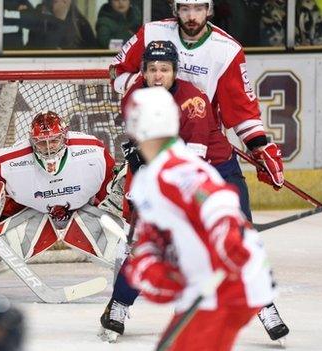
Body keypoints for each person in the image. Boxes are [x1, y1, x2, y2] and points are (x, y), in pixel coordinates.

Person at [109, 0, 289, 342]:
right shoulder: (152, 33)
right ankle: (119, 303)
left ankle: (265, 308)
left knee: (241, 235)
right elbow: (118, 73)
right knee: (153, 237)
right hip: (163, 153)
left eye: (199, 8)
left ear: (210, 10)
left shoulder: (226, 50)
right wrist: (150, 88)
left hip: (211, 153)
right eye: (185, 8)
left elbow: (241, 109)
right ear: (176, 8)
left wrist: (260, 146)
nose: (192, 16)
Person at [99, 40, 236, 342]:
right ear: (144, 73)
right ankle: (118, 306)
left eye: (164, 69)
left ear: (175, 71)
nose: (158, 75)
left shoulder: (194, 101)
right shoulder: (136, 95)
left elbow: (193, 160)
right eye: (152, 69)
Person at [124, 87, 277, 351]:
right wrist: (148, 260)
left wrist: (226, 237)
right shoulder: (154, 173)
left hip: (230, 286)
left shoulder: (176, 168)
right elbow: (156, 235)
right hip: (208, 284)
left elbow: (217, 202)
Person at [0, 111, 124, 292]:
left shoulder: (91, 150)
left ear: (65, 137)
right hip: (33, 215)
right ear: (32, 141)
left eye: (54, 141)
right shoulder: (14, 160)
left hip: (83, 211)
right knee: (1, 244)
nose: (49, 148)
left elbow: (109, 185)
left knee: (120, 238)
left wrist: (113, 213)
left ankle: (145, 273)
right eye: (41, 143)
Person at [26, 0, 98, 49]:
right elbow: (35, 50)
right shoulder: (40, 16)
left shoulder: (80, 22)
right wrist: (59, 19)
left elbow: (93, 55)